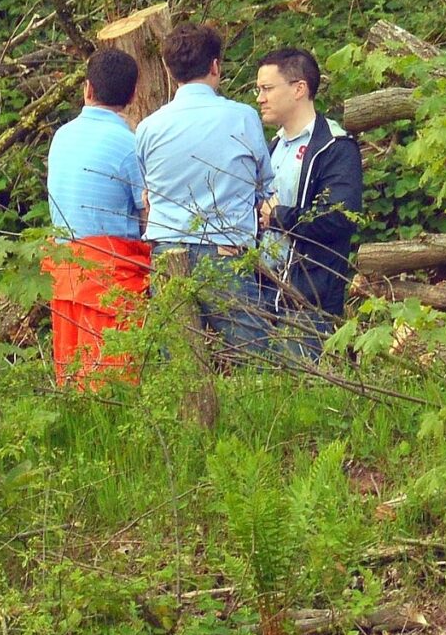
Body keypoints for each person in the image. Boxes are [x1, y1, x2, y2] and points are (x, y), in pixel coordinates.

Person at [135, 22, 272, 358]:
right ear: (215, 66)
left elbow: (146, 194)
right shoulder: (242, 117)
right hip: (225, 250)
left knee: (178, 364)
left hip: (167, 251)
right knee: (256, 358)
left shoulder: (148, 127)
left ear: (169, 70)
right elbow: (266, 182)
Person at [44, 47, 152, 384]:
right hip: (110, 275)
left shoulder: (61, 137)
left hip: (65, 270)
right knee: (113, 382)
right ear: (134, 95)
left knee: (74, 377)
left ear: (87, 89)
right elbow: (149, 215)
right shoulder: (129, 144)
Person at [254, 46, 365, 359]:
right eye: (258, 89)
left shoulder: (335, 146)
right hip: (266, 296)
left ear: (299, 88)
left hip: (310, 301)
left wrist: (279, 217)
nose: (260, 98)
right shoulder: (273, 147)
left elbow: (339, 218)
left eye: (267, 88)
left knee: (305, 393)